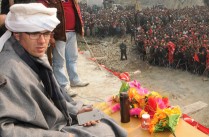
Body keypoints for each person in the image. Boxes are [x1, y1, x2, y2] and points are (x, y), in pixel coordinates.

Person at [0, 3, 127, 137]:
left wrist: (76, 112)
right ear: (17, 35)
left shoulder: (31, 54)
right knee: (104, 131)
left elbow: (52, 99)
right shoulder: (7, 70)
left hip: (59, 119)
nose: (42, 41)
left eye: (46, 33)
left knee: (97, 115)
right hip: (48, 131)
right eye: (34, 34)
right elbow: (5, 130)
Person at [47, 0, 89, 96]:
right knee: (59, 61)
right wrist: (50, 35)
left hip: (72, 32)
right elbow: (48, 17)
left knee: (73, 57)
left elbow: (77, 12)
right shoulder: (53, 1)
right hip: (59, 34)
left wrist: (81, 26)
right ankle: (63, 86)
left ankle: (74, 80)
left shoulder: (72, 1)